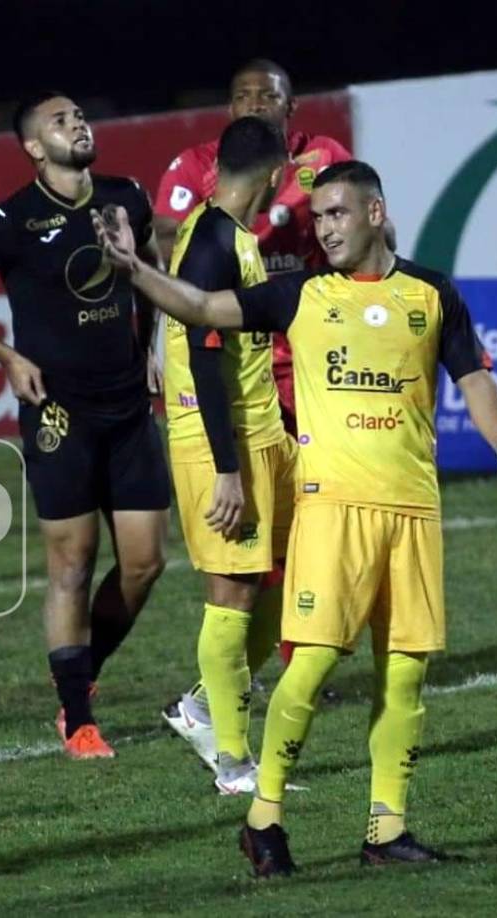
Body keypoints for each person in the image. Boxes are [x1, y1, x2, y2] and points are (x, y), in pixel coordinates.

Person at [92, 161, 497, 874]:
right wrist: (136, 270)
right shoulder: (300, 294)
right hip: (332, 512)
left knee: (405, 675)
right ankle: (264, 818)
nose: (323, 228)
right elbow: (202, 307)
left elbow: (474, 375)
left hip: (413, 513)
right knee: (310, 666)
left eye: (337, 213)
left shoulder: (431, 294)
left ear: (375, 213)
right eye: (319, 215)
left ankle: (386, 831)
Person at [0, 92, 170, 760]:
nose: (77, 124)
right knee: (73, 563)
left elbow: (153, 269)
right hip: (60, 412)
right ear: (34, 147)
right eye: (59, 121)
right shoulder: (12, 220)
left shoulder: (125, 196)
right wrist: (6, 356)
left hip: (129, 408)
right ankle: (79, 718)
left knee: (145, 563)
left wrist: (151, 344)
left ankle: (80, 677)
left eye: (79, 115)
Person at [160, 115, 294, 795]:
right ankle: (233, 762)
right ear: (275, 175)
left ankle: (202, 707)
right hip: (220, 445)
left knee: (287, 582)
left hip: (261, 434)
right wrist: (226, 470)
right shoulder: (212, 243)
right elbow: (203, 359)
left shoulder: (229, 235)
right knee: (233, 594)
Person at [153, 58, 352, 432]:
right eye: (244, 96)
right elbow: (164, 240)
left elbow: (368, 228)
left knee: (325, 457)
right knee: (246, 458)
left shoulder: (323, 156)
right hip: (238, 342)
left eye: (268, 95)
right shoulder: (196, 164)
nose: (255, 104)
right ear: (231, 108)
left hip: (310, 338)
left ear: (290, 106)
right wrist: (226, 246)